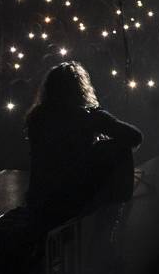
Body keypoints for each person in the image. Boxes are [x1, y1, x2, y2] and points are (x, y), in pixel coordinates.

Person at [24, 61, 142, 233]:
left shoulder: (36, 116)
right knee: (119, 149)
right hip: (72, 198)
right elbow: (135, 137)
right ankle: (107, 231)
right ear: (80, 88)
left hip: (39, 197)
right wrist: (99, 117)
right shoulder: (86, 116)